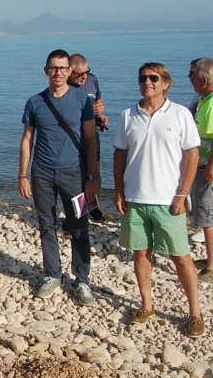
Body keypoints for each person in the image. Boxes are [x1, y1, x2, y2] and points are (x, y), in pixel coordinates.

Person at [113, 63, 205, 337]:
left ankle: (195, 313)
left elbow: (192, 154)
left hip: (169, 200)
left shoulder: (179, 115)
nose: (147, 82)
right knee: (141, 253)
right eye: (143, 78)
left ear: (165, 83)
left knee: (181, 257)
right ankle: (147, 304)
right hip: (136, 199)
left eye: (154, 78)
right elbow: (119, 156)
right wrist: (119, 191)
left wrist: (183, 193)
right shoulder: (128, 115)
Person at [18, 49, 99, 306]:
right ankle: (52, 274)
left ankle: (82, 280)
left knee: (80, 225)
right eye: (54, 68)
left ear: (70, 71)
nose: (58, 73)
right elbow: (27, 139)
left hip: (74, 173)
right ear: (46, 71)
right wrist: (22, 174)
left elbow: (89, 139)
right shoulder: (35, 102)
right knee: (46, 224)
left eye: (63, 68)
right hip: (42, 172)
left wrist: (92, 176)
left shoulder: (83, 101)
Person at [68, 53, 107, 222]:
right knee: (77, 174)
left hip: (92, 133)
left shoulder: (92, 80)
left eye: (86, 72)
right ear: (69, 71)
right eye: (79, 74)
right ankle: (78, 212)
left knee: (95, 170)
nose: (84, 77)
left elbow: (99, 100)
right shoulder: (64, 87)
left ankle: (93, 205)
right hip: (74, 136)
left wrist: (101, 113)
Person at [188, 57, 213, 283]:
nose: (190, 79)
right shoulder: (204, 99)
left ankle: (211, 266)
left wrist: (210, 167)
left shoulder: (212, 103)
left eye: (193, 75)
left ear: (204, 80)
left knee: (207, 215)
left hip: (207, 168)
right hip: (201, 165)